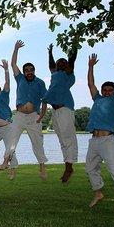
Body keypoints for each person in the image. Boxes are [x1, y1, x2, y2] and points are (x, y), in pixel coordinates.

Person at [85, 54, 114, 215]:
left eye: (109, 90)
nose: (106, 92)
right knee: (90, 168)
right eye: (104, 90)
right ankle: (98, 193)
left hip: (108, 140)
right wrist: (91, 66)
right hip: (94, 140)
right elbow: (90, 83)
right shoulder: (97, 99)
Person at [0, 40, 49, 180]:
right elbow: (13, 64)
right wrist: (16, 49)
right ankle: (5, 161)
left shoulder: (40, 82)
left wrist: (42, 116)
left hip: (34, 116)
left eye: (30, 70)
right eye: (26, 70)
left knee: (37, 142)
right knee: (12, 139)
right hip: (19, 116)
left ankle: (42, 167)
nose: (28, 72)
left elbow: (44, 100)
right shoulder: (19, 78)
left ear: (34, 71)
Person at [44, 43, 78, 182]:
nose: (62, 63)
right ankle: (67, 165)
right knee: (62, 139)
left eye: (64, 62)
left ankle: (69, 167)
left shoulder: (68, 75)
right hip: (55, 111)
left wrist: (74, 45)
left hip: (65, 108)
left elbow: (72, 60)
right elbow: (51, 66)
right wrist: (50, 53)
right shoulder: (55, 74)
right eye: (59, 62)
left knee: (68, 138)